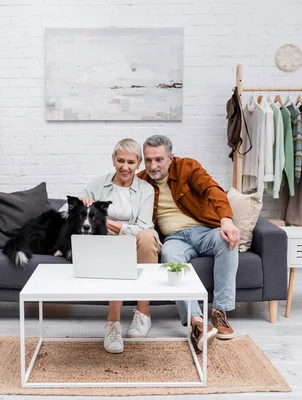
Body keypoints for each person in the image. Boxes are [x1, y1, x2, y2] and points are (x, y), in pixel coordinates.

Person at [137, 135, 240, 352]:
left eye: (159, 160)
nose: (153, 166)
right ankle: (197, 322)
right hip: (174, 238)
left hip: (205, 231)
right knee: (169, 258)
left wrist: (226, 220)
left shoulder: (188, 168)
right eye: (148, 160)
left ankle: (219, 312)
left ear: (171, 158)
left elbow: (213, 190)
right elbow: (119, 188)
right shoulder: (142, 180)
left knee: (227, 242)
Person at [60, 138, 160, 354]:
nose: (125, 167)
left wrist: (120, 228)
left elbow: (145, 225)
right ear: (113, 160)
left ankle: (143, 314)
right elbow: (62, 211)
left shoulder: (146, 190)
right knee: (115, 245)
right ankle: (113, 322)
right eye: (120, 160)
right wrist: (81, 204)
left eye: (131, 162)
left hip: (136, 242)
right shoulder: (98, 185)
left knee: (147, 236)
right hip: (106, 244)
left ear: (138, 164)